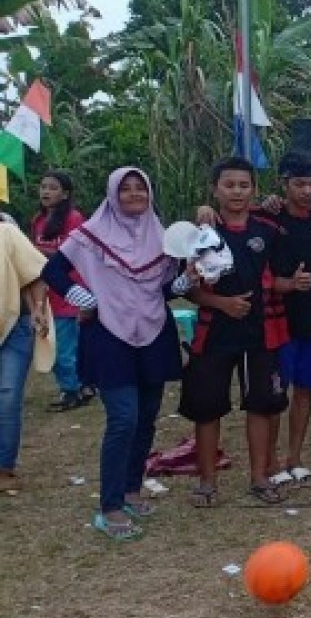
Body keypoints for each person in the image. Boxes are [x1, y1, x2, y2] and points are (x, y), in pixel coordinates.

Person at [44, 168, 188, 537]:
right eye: (126, 190)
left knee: (147, 416)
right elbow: (53, 270)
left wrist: (185, 282)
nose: (135, 195)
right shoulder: (91, 235)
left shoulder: (162, 235)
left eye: (141, 188)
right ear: (112, 194)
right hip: (109, 332)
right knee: (123, 418)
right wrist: (82, 296)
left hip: (154, 330)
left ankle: (131, 489)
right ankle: (110, 505)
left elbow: (165, 288)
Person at [182, 159, 303, 507]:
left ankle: (260, 477)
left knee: (262, 406)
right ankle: (207, 482)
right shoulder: (201, 232)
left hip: (261, 332)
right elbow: (188, 289)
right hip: (213, 333)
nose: (236, 191)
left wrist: (292, 284)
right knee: (207, 409)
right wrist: (221, 303)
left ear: (254, 189)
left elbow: (275, 279)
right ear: (215, 189)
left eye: (243, 185)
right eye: (229, 185)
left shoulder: (268, 230)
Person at [269, 154, 311, 487]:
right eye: (299, 184)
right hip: (279, 321)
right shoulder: (269, 218)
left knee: (305, 391)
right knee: (275, 395)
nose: (307, 191)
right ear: (284, 184)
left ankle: (295, 457)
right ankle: (269, 462)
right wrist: (288, 285)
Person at [30, 170, 91, 412]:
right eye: (43, 186)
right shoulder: (38, 220)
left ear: (65, 194)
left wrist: (33, 250)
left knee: (64, 348)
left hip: (69, 292)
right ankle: (81, 386)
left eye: (53, 187)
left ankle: (72, 391)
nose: (46, 191)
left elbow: (73, 254)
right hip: (46, 294)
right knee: (51, 344)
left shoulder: (75, 219)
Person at [1, 221, 50, 493]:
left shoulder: (6, 232)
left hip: (13, 326)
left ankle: (4, 467)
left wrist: (38, 309)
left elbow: (35, 273)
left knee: (7, 397)